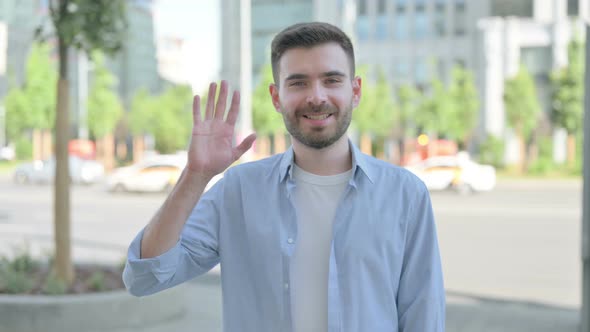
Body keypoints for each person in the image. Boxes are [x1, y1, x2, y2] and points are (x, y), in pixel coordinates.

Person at [123, 22, 445, 332]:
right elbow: (145, 278)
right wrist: (195, 176)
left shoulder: (405, 194)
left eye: (332, 80)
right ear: (276, 97)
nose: (316, 96)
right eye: (298, 82)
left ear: (355, 90)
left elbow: (423, 315)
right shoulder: (237, 193)